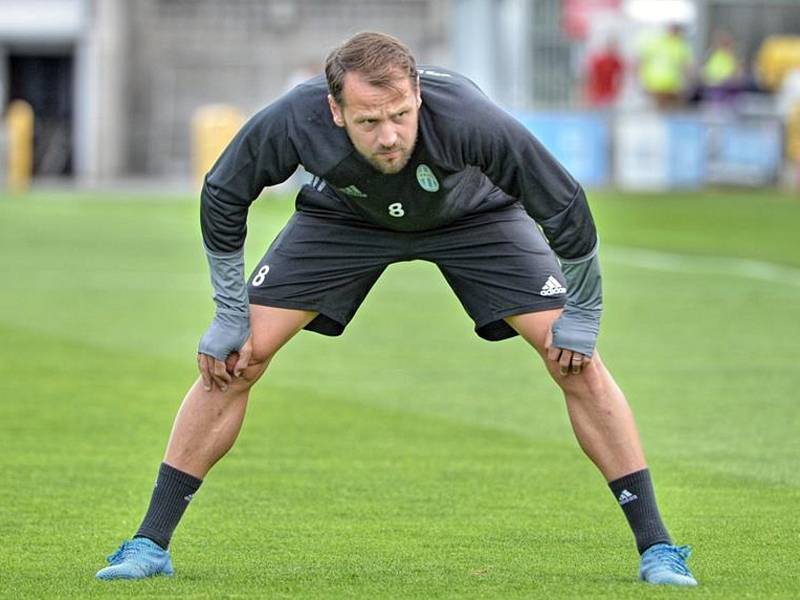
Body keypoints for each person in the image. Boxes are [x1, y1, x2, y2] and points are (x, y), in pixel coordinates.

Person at [95, 31, 697, 586]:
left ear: (417, 96)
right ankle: (149, 543)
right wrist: (229, 311)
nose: (389, 136)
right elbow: (224, 194)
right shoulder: (294, 120)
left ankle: (658, 549)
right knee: (237, 356)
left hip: (474, 218)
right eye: (368, 121)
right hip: (346, 217)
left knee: (574, 359)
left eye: (401, 115)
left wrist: (584, 311)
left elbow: (563, 205)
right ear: (335, 111)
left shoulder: (469, 117)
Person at [638, 23, 694, 109]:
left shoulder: (681, 45)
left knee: (667, 111)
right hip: (657, 84)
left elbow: (687, 66)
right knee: (662, 111)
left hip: (671, 84)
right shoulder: (658, 42)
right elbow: (643, 60)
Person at [584, 38, 625, 108]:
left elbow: (621, 75)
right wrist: (590, 92)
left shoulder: (616, 61)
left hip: (610, 94)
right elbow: (591, 76)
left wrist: (618, 90)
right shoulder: (600, 61)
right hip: (598, 92)